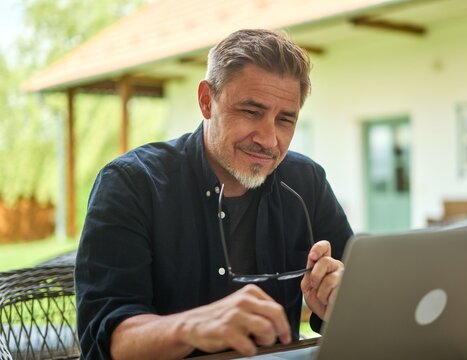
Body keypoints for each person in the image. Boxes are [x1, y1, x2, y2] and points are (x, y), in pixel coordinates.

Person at [75, 28, 353, 359]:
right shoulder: (130, 183)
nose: (268, 139)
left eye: (285, 120)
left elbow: (361, 302)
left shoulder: (307, 180)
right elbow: (106, 340)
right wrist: (193, 326)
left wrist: (342, 303)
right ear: (207, 101)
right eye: (251, 112)